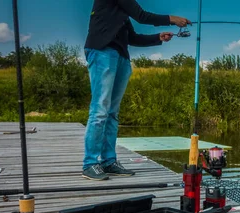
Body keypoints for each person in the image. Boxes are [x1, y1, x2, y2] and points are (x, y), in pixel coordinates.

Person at [82, 0, 191, 180]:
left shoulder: (121, 12)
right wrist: (172, 19)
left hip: (120, 55)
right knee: (100, 110)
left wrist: (158, 38)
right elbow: (142, 15)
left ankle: (108, 161)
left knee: (112, 113)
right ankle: (90, 163)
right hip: (102, 51)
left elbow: (132, 38)